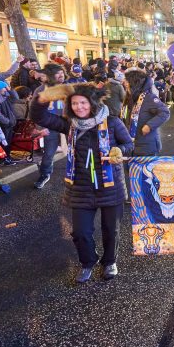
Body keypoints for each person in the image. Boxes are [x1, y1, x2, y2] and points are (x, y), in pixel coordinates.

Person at [31, 83, 132, 283]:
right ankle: (88, 262)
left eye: (83, 102)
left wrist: (119, 151)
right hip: (81, 187)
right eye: (75, 103)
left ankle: (109, 262)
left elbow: (129, 144)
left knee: (111, 229)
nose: (79, 107)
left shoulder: (112, 122)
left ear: (92, 103)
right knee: (80, 232)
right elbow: (38, 117)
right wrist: (43, 98)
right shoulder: (69, 124)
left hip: (109, 185)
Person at [32, 63, 66, 189]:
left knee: (78, 151)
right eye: (58, 74)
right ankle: (44, 174)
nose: (61, 76)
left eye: (62, 73)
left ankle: (79, 176)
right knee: (49, 153)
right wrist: (41, 128)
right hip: (50, 126)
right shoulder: (40, 90)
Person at [123, 69, 170, 156]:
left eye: (127, 81)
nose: (125, 83)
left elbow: (165, 112)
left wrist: (149, 126)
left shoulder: (149, 98)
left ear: (135, 83)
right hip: (132, 147)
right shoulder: (131, 98)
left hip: (147, 148)